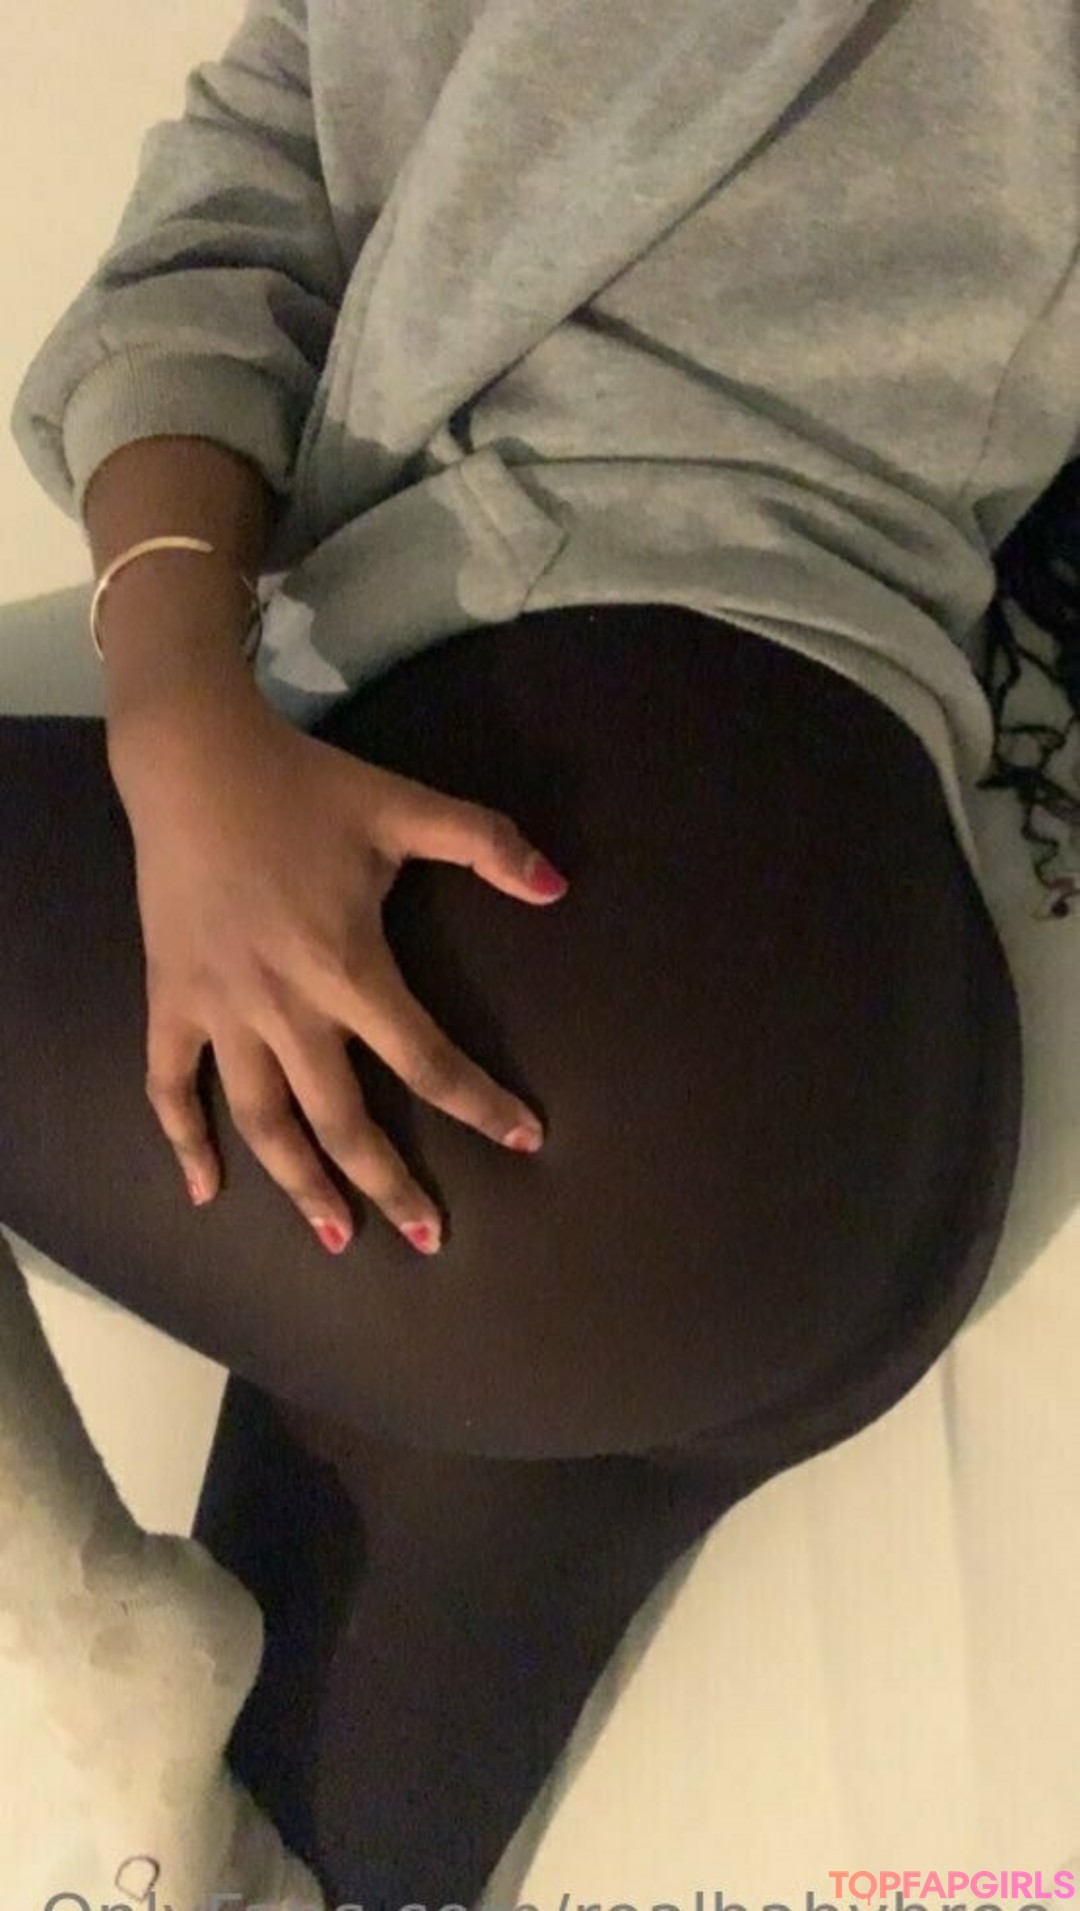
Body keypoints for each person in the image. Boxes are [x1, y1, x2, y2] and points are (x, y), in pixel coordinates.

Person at [4, 0, 1077, 1901]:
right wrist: (175, 710)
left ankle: (84, 1647)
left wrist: (180, 711)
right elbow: (224, 234)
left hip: (601, 912)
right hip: (849, 1103)